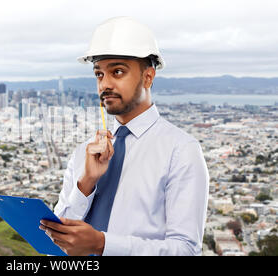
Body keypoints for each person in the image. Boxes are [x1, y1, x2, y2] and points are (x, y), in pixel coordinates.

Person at [39, 17, 209, 256]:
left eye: (117, 72)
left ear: (148, 77)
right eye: (99, 74)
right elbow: (55, 244)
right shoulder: (84, 152)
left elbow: (186, 250)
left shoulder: (180, 151)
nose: (104, 84)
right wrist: (87, 181)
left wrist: (102, 244)